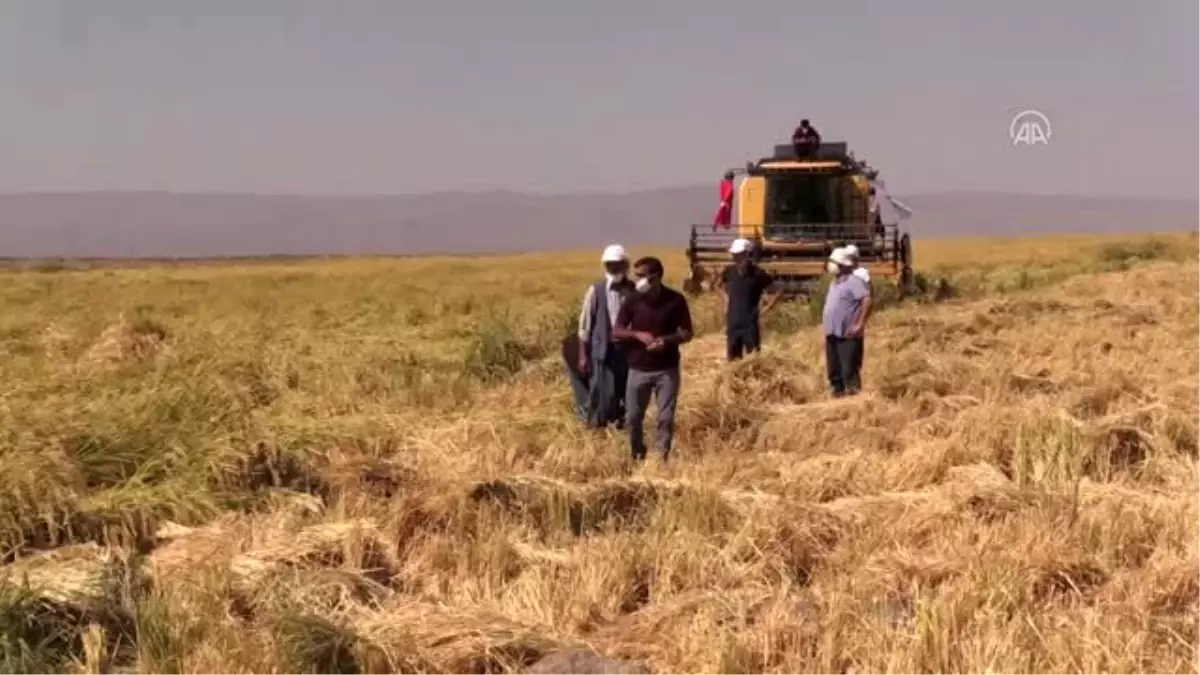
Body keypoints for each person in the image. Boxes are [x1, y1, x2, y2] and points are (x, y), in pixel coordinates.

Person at [613, 256, 693, 462]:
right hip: (638, 368)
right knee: (633, 418)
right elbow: (617, 330)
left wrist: (665, 341)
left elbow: (687, 333)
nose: (636, 279)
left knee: (665, 418)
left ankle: (660, 458)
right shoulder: (632, 300)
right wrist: (637, 335)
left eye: (641, 276)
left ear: (655, 277)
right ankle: (637, 453)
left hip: (666, 369)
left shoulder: (676, 300)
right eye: (635, 275)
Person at [574, 244, 636, 427]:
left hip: (627, 351)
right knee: (601, 390)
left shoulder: (632, 290)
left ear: (625, 265)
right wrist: (583, 355)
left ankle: (622, 424)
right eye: (610, 265)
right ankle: (597, 425)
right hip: (603, 351)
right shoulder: (596, 291)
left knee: (625, 389)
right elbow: (584, 326)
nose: (614, 268)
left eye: (617, 264)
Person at [718, 238, 783, 361]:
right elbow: (716, 285)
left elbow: (778, 291)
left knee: (753, 360)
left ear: (748, 255)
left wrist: (766, 308)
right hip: (733, 323)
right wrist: (726, 299)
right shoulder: (729, 271)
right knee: (733, 361)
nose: (736, 258)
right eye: (734, 255)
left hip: (750, 324)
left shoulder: (758, 274)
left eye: (739, 255)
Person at [822, 247, 872, 397]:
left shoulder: (854, 281)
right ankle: (837, 394)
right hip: (832, 333)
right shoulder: (834, 282)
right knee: (834, 369)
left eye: (833, 262)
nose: (830, 265)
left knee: (849, 369)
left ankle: (853, 399)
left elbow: (867, 300)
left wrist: (859, 324)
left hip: (848, 334)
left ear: (842, 265)